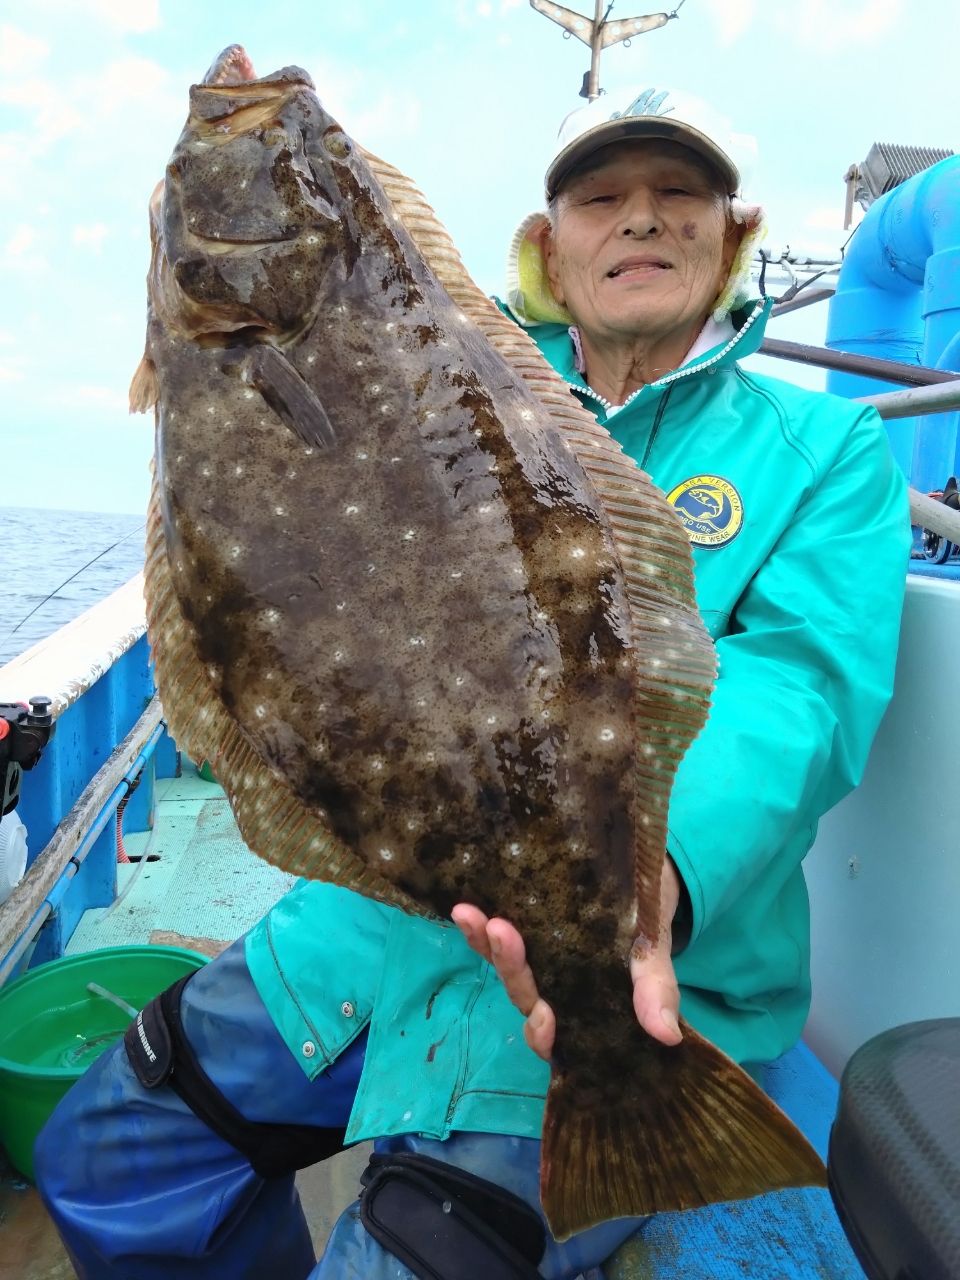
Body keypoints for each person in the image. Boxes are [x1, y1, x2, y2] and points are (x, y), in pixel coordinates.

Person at [34, 87, 909, 1280]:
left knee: (409, 1253)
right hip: (378, 923)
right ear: (548, 244)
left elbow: (797, 694)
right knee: (107, 1152)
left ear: (733, 233)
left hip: (632, 967)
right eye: (602, 198)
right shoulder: (432, 365)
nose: (641, 220)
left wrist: (645, 881)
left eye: (679, 195)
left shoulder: (828, 453)